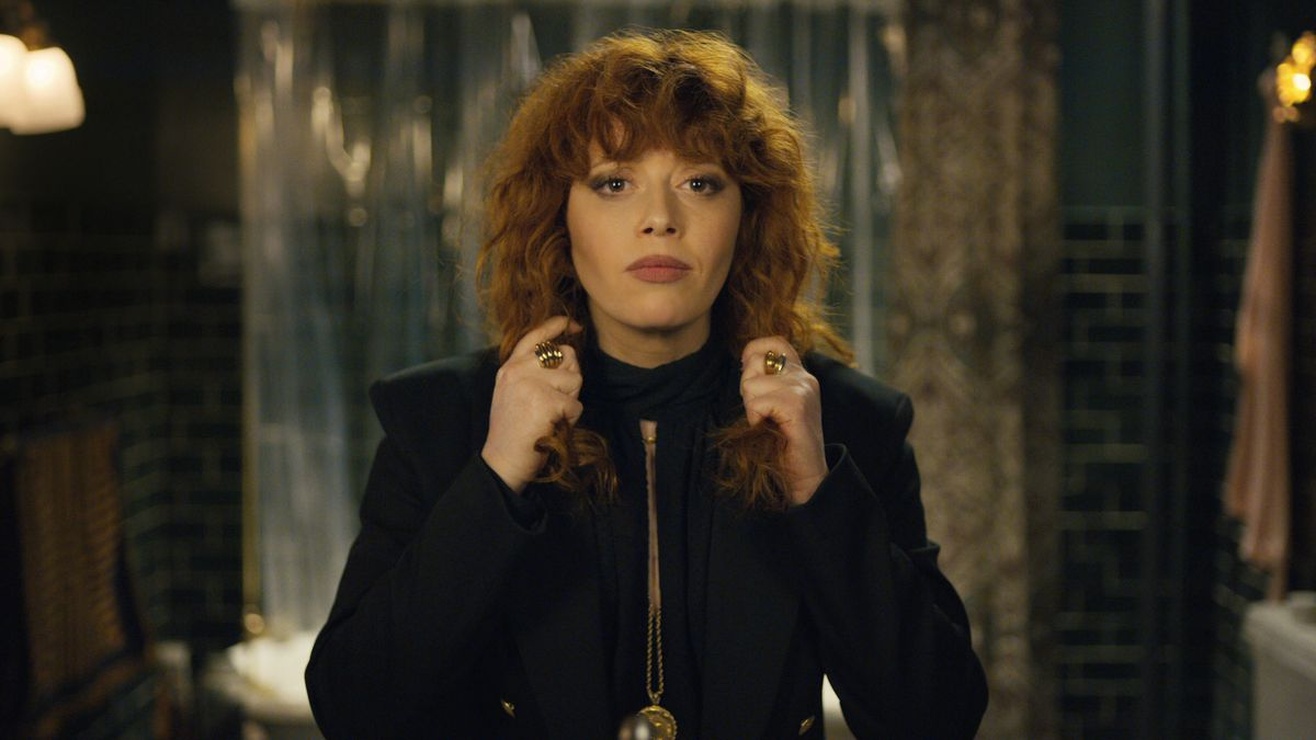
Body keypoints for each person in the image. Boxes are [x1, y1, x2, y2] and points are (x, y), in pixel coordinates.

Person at [305, 28, 987, 739]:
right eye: (614, 183)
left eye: (700, 183)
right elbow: (354, 711)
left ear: (748, 217)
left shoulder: (846, 422)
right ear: (557, 215)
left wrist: (816, 493)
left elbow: (937, 720)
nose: (660, 219)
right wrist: (497, 474)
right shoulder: (440, 419)